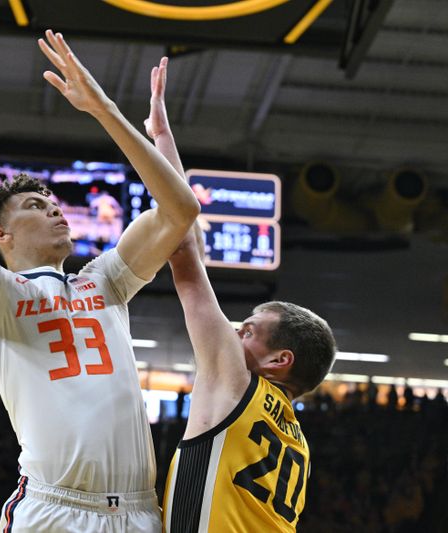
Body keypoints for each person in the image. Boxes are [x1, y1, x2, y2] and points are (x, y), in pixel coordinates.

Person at [0, 30, 199, 532]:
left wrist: (104, 109)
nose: (55, 211)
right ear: (0, 234)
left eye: (53, 203)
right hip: (53, 510)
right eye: (35, 207)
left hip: (139, 513)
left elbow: (180, 210)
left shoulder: (103, 282)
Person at [142, 61, 338, 532]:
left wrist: (162, 138)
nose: (232, 329)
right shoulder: (297, 443)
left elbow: (186, 255)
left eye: (248, 330)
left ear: (278, 361)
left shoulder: (236, 382)